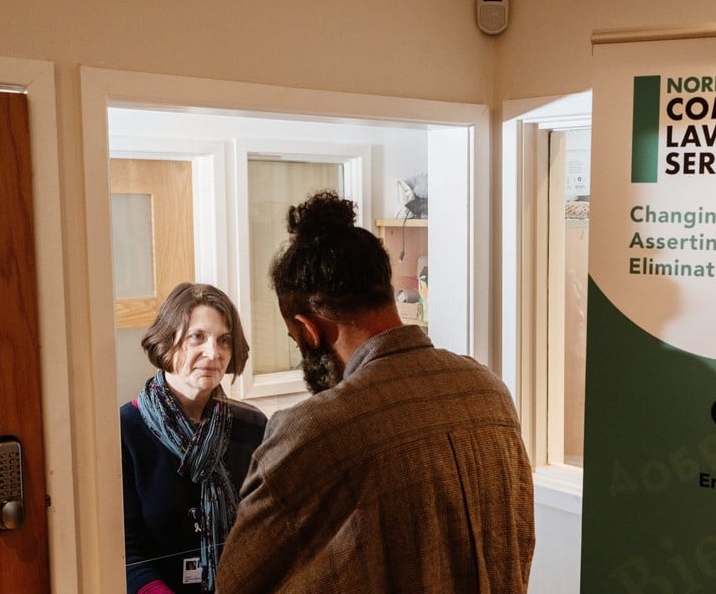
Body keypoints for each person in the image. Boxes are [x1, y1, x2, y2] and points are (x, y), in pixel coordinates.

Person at [216, 191, 535, 593]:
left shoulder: (312, 429)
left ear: (310, 329)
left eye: (295, 339)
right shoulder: (488, 392)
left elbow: (237, 584)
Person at [121, 282, 268, 593]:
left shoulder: (252, 425)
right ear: (167, 341)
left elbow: (268, 530)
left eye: (224, 340)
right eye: (197, 337)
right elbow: (126, 554)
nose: (213, 353)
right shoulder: (125, 430)